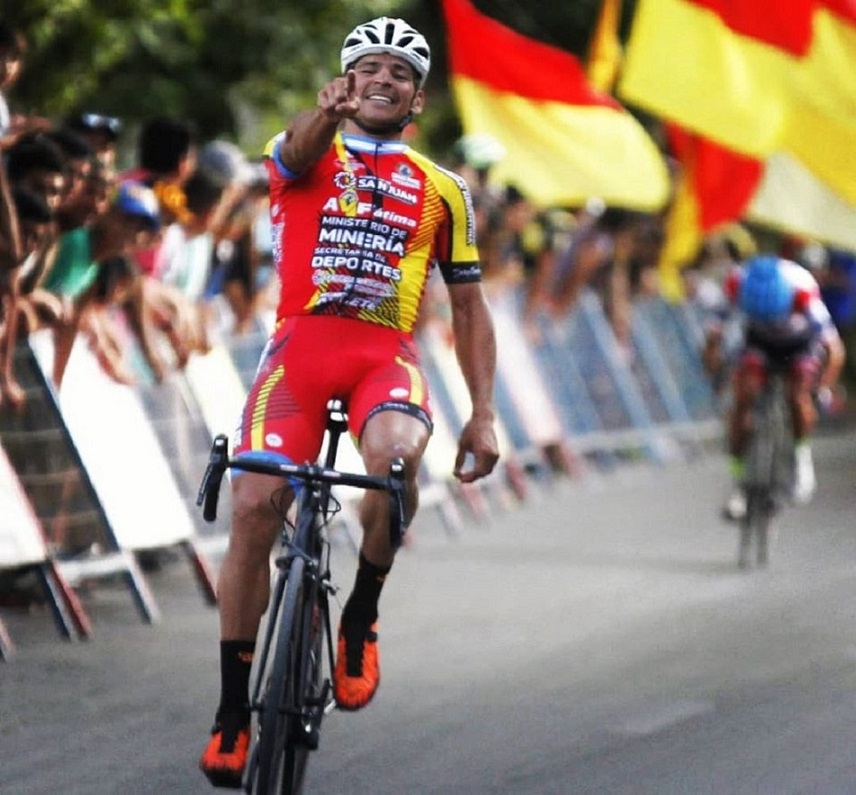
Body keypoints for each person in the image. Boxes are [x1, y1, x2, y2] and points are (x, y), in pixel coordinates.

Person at [199, 16, 500, 788]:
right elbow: (298, 149)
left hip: (382, 357)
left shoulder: (444, 190)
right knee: (254, 504)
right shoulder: (303, 148)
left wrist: (483, 413)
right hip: (298, 353)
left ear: (417, 99)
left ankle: (360, 613)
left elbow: (470, 309)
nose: (383, 78)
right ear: (346, 80)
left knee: (395, 459)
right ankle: (233, 708)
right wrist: (324, 115)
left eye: (400, 72)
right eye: (369, 66)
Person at [709, 254, 845, 520]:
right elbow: (713, 339)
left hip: (799, 343)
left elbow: (834, 351)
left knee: (798, 395)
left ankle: (801, 460)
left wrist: (822, 388)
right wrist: (716, 376)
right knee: (742, 400)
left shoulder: (802, 290)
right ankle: (739, 481)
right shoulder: (737, 284)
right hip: (758, 343)